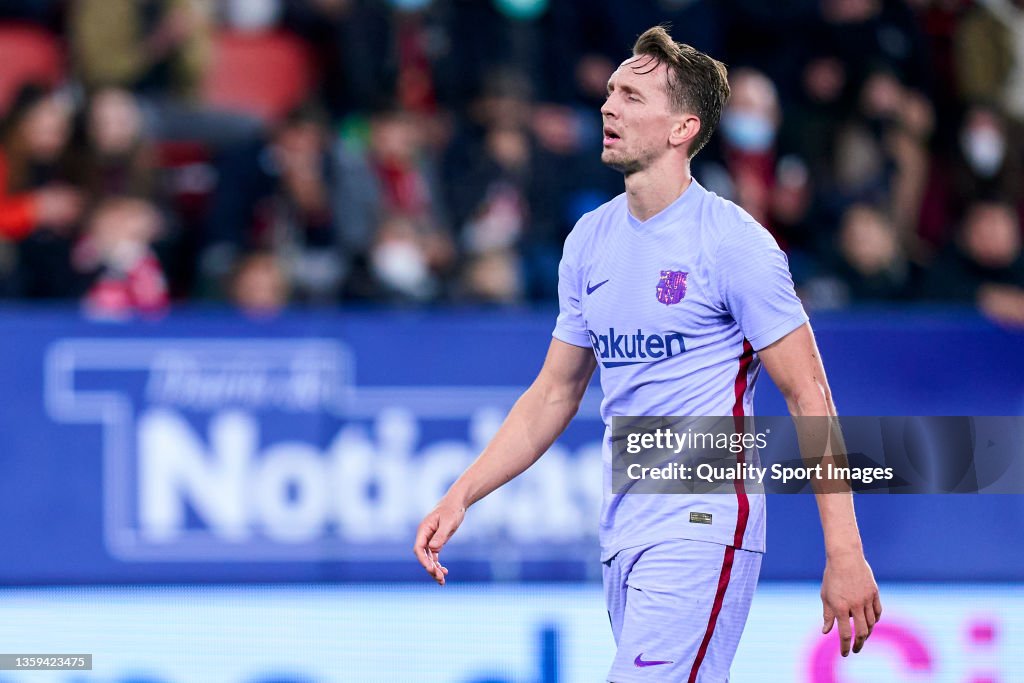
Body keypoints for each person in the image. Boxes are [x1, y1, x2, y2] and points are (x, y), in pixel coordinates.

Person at [414, 26, 882, 682]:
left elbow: (811, 395)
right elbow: (553, 392)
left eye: (632, 96)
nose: (608, 107)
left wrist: (845, 551)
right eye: (609, 92)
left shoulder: (733, 243)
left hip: (703, 519)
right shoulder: (589, 242)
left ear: (682, 127)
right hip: (626, 528)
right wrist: (462, 493)